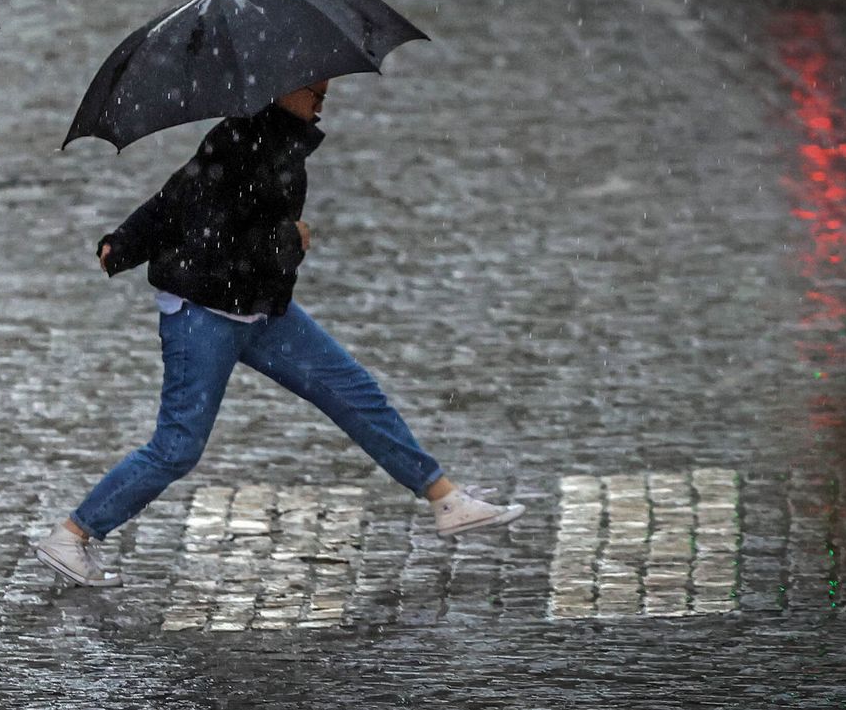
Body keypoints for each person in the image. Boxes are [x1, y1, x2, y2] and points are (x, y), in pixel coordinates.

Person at [35, 80, 525, 587]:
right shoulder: (242, 142)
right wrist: (290, 240)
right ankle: (73, 535)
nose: (322, 91)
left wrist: (126, 241)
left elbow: (178, 195)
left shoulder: (273, 141)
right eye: (310, 85)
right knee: (178, 446)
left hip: (262, 310)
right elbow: (208, 222)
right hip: (203, 315)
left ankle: (444, 498)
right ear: (276, 89)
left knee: (352, 392)